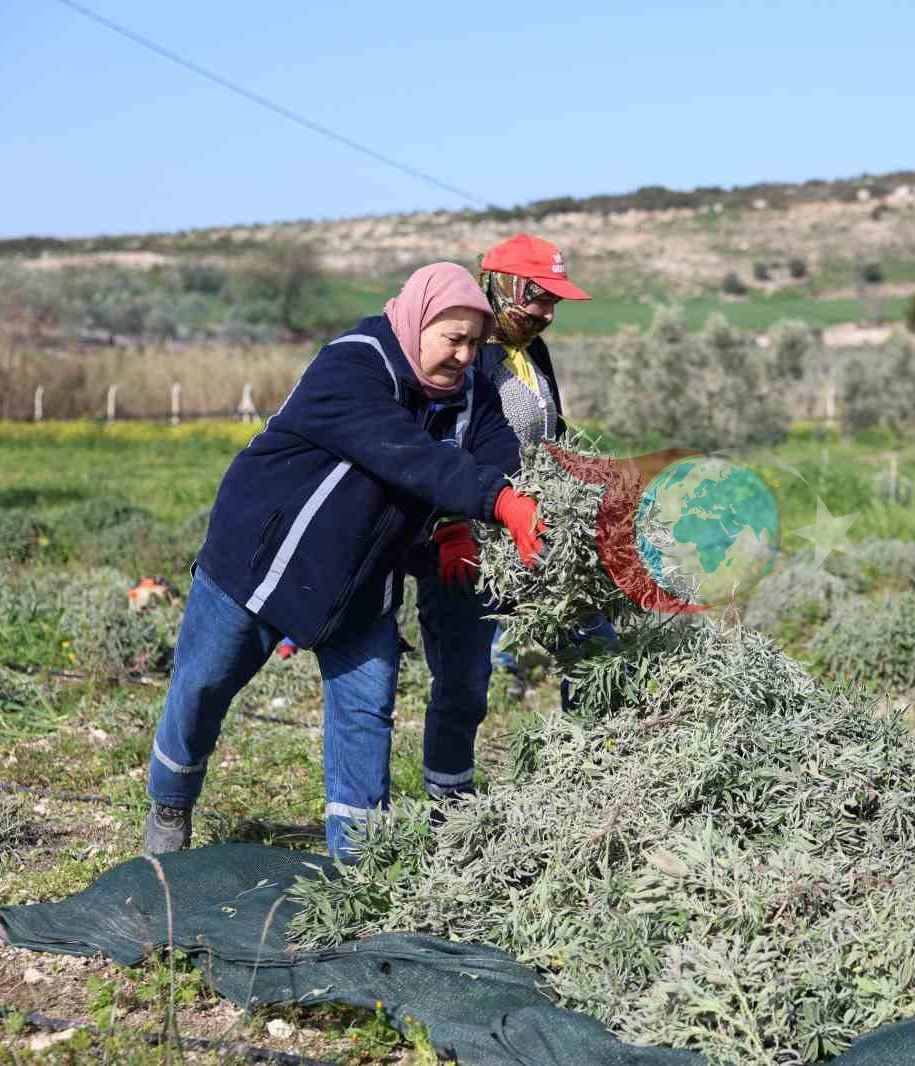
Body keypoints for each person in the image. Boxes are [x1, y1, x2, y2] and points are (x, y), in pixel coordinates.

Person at [142, 262, 545, 860]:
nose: (463, 356)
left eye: (472, 343)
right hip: (262, 562)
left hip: (361, 580)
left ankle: (358, 867)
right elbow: (407, 454)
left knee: (366, 712)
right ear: (415, 321)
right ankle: (170, 803)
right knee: (202, 687)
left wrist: (481, 516)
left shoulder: (471, 395)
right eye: (451, 339)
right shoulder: (353, 364)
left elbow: (500, 456)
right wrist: (495, 501)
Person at [415, 234, 613, 805]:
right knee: (464, 685)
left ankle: (591, 783)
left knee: (593, 646)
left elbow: (552, 436)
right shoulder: (463, 354)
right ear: (504, 286)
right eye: (540, 299)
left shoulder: (533, 352)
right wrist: (449, 521)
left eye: (555, 302)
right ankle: (449, 811)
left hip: (536, 534)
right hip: (468, 540)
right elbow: (436, 446)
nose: (548, 314)